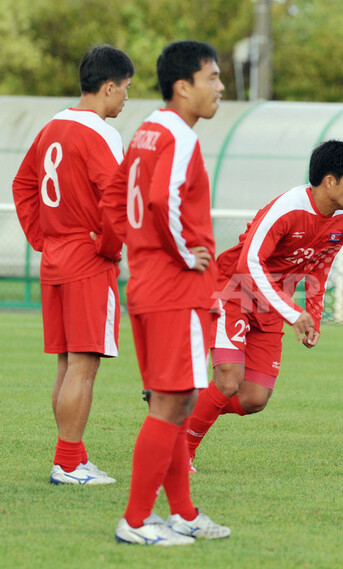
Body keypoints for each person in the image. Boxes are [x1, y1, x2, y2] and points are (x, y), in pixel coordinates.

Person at [100, 40, 229, 546]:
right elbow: (162, 199)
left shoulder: (146, 131)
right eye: (212, 78)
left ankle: (184, 513)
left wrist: (141, 249)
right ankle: (135, 521)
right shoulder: (177, 134)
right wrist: (179, 253)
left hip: (148, 284)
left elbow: (115, 198)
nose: (220, 87)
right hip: (175, 289)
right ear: (183, 86)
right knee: (172, 403)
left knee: (173, 400)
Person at [185, 140, 343, 469]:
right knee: (228, 380)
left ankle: (181, 407)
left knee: (254, 399)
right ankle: (181, 451)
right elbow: (249, 263)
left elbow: (319, 269)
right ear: (330, 181)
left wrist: (313, 318)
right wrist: (292, 311)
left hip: (271, 306)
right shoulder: (288, 207)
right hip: (234, 292)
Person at [12, 45, 134, 485]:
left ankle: (74, 457)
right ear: (108, 87)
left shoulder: (51, 126)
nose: (127, 97)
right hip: (87, 261)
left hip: (56, 259)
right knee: (83, 366)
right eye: (126, 88)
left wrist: (42, 238)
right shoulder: (101, 132)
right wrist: (111, 248)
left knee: (67, 366)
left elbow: (22, 184)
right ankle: (66, 464)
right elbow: (118, 199)